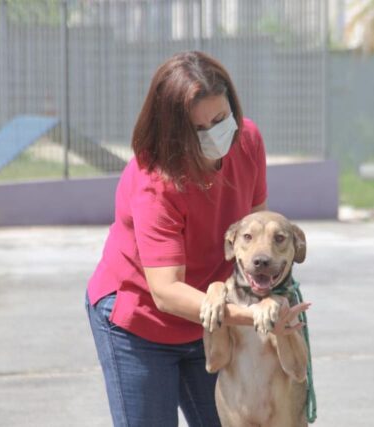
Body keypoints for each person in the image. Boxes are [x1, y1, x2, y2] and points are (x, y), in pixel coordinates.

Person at [85, 51, 307, 427]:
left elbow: (258, 238)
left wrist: (273, 302)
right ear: (173, 132)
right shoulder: (155, 180)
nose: (215, 134)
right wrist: (252, 316)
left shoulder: (247, 141)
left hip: (214, 315)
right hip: (142, 321)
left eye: (220, 119)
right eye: (198, 129)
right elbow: (167, 291)